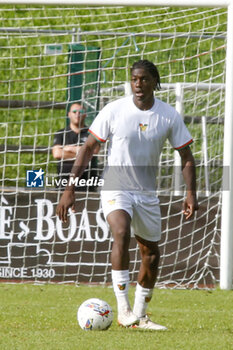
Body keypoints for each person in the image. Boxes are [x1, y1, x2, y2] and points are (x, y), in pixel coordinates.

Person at [56, 60, 198, 330]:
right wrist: (69, 188)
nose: (137, 84)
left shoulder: (168, 115)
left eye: (143, 79)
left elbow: (187, 157)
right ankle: (123, 310)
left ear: (154, 82)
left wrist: (190, 194)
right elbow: (88, 148)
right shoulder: (114, 110)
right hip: (115, 185)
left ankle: (140, 317)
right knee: (121, 232)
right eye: (134, 79)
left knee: (151, 254)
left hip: (146, 193)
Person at [52, 103, 99, 190]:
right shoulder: (61, 133)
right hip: (64, 182)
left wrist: (69, 149)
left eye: (80, 111)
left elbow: (95, 151)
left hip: (87, 182)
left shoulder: (91, 133)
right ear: (69, 114)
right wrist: (83, 154)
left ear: (85, 114)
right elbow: (57, 153)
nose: (77, 114)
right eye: (74, 112)